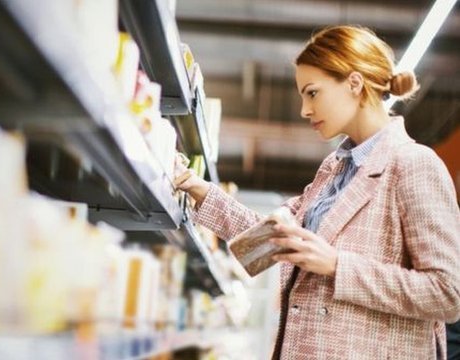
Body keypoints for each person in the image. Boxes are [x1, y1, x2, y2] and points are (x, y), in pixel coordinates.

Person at [174, 25, 460, 359]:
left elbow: (447, 293)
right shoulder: (334, 171)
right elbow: (269, 239)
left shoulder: (413, 165)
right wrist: (198, 188)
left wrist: (338, 265)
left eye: (312, 93)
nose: (304, 110)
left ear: (354, 84)